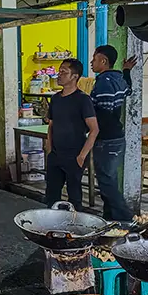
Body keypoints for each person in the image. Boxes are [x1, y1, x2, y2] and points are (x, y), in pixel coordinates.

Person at [90, 45, 136, 221]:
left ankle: (126, 219)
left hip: (106, 139)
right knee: (110, 179)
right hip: (117, 137)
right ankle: (110, 220)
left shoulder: (103, 82)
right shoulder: (118, 78)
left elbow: (103, 112)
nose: (92, 63)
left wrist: (90, 128)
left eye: (94, 59)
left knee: (106, 183)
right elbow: (129, 89)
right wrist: (126, 71)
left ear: (103, 61)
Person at [44, 58, 98, 209]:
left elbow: (94, 130)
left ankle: (75, 228)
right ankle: (52, 227)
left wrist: (82, 156)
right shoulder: (55, 99)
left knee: (74, 197)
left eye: (64, 72)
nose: (59, 75)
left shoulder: (83, 100)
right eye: (59, 71)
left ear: (75, 76)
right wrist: (49, 148)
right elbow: (51, 125)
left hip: (74, 155)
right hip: (56, 155)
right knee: (51, 195)